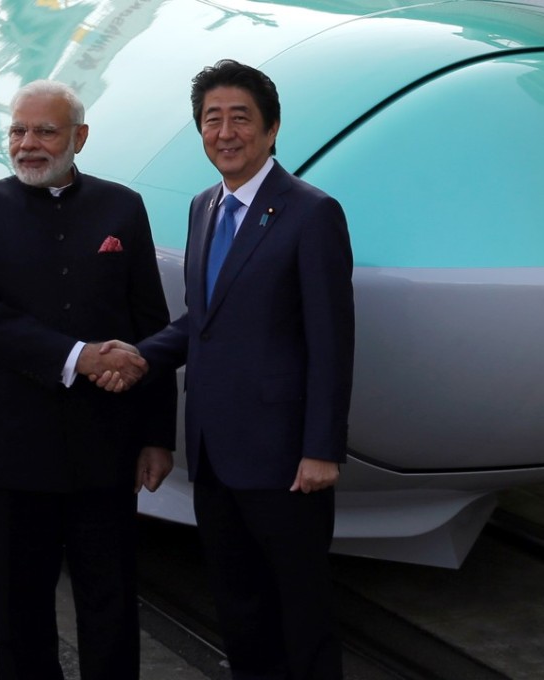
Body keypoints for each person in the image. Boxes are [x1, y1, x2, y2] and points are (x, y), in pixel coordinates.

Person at [106, 59, 355, 679]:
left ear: (271, 129)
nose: (225, 132)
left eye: (240, 118)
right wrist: (136, 356)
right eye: (211, 119)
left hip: (285, 457)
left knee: (299, 604)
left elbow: (332, 339)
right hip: (215, 449)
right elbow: (202, 320)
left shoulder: (310, 213)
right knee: (238, 602)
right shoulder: (203, 207)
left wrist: (322, 448)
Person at [0, 79, 176, 680]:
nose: (28, 145)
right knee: (20, 612)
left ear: (80, 137)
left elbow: (150, 324)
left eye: (45, 131)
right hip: (11, 451)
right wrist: (80, 357)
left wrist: (157, 436)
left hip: (107, 448)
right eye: (18, 131)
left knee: (112, 603)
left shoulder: (122, 207)